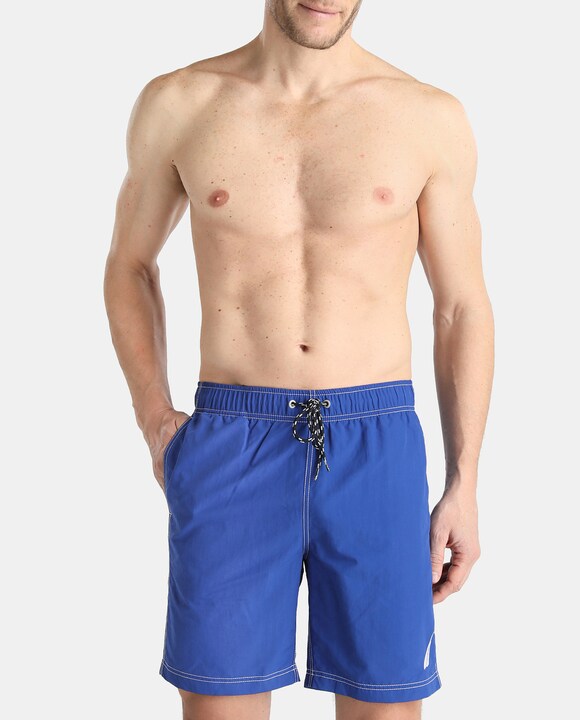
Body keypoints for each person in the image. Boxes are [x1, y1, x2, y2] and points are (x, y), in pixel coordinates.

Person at [103, 1, 494, 718]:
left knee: (384, 706)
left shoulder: (427, 117)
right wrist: (154, 417)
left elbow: (460, 306)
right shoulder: (181, 102)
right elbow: (130, 264)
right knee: (219, 706)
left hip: (376, 442)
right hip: (233, 438)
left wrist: (464, 481)